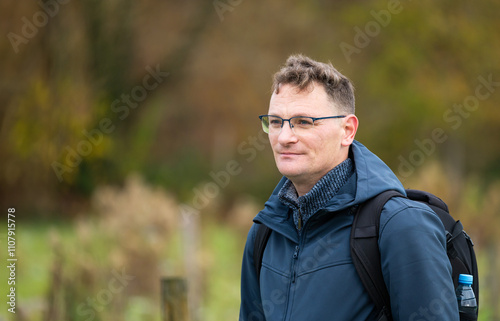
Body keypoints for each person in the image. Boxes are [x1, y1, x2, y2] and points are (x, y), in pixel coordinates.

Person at [239, 54, 459, 320]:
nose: (284, 137)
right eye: (275, 122)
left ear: (348, 130)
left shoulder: (400, 226)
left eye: (303, 122)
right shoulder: (264, 232)